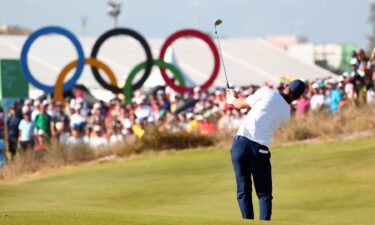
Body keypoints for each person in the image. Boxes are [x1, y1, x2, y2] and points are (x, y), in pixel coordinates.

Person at [226, 79, 306, 221]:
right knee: (264, 194)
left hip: (241, 145)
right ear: (298, 97)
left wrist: (231, 99)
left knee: (243, 190)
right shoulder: (286, 114)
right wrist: (236, 96)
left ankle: (247, 222)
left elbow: (241, 105)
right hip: (260, 151)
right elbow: (255, 107)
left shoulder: (266, 92)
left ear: (286, 86)